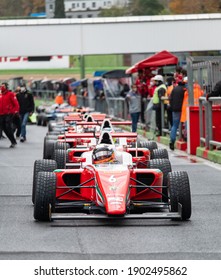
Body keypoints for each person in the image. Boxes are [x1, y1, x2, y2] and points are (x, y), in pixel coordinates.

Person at [0, 82, 19, 148]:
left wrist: (14, 111)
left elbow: (16, 104)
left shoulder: (10, 94)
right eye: (1, 86)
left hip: (8, 114)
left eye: (3, 86)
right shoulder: (0, 95)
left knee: (7, 128)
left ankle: (13, 141)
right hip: (1, 114)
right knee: (2, 128)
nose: (2, 87)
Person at [169, 79, 185, 150]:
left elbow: (170, 98)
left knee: (175, 125)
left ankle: (172, 140)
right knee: (184, 125)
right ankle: (184, 138)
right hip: (183, 109)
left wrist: (172, 107)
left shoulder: (174, 89)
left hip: (175, 110)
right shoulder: (184, 89)